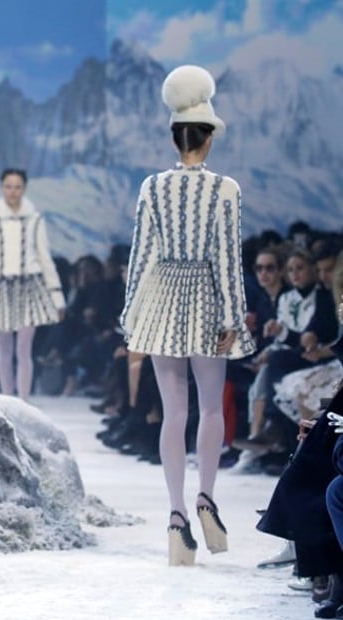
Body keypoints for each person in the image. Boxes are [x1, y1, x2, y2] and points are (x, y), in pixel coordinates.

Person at [119, 65, 255, 566]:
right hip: (207, 300)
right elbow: (227, 259)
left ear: (175, 136)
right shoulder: (226, 189)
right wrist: (233, 316)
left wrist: (131, 314)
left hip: (162, 301)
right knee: (211, 408)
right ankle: (206, 499)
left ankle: (176, 517)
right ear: (209, 136)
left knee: (173, 412)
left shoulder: (152, 187)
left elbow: (141, 256)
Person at [0, 168, 65, 400]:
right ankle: (8, 400)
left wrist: (57, 298)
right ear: (1, 188)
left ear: (24, 189)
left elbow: (44, 258)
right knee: (4, 351)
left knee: (24, 351)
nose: (12, 191)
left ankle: (23, 401)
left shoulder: (35, 220)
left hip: (29, 287)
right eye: (8, 186)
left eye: (17, 187)